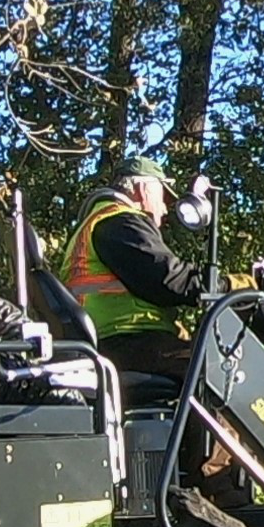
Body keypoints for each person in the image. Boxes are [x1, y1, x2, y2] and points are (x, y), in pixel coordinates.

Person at [60, 163, 207, 387]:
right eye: (163, 197)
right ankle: (201, 424)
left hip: (115, 341)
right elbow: (167, 279)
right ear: (143, 189)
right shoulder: (120, 222)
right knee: (218, 371)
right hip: (126, 341)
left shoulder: (97, 222)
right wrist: (226, 286)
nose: (165, 209)